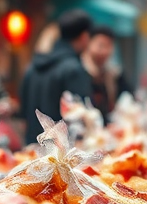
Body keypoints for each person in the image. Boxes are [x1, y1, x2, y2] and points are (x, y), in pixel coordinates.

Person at [19, 9, 94, 144]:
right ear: (84, 36)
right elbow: (81, 119)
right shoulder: (74, 70)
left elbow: (23, 113)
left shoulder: (32, 68)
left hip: (31, 149)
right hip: (62, 153)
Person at [82, 25, 133, 120]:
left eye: (109, 46)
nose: (105, 51)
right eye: (101, 45)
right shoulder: (80, 70)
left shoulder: (113, 73)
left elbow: (128, 94)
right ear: (88, 43)